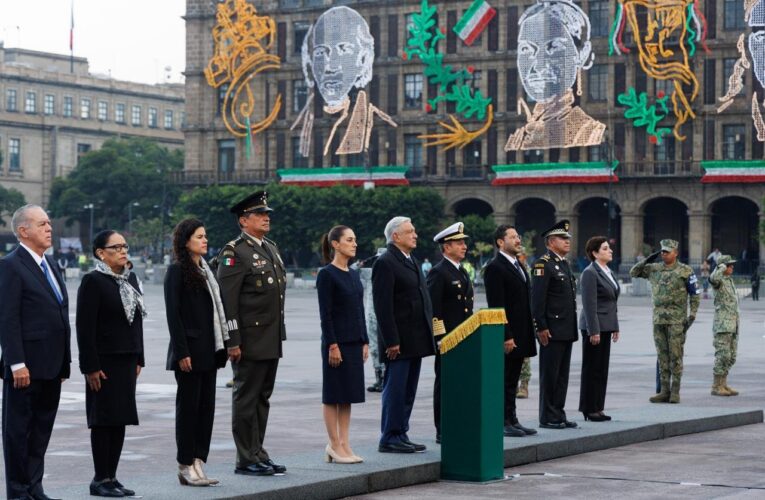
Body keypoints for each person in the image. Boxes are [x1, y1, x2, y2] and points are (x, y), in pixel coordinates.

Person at [0, 205, 71, 500]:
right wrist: (16, 362)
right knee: (18, 431)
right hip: (25, 367)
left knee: (41, 429)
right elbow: (7, 317)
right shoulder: (11, 265)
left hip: (52, 365)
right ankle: (17, 491)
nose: (49, 228)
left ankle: (34, 486)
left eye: (49, 223)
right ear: (23, 231)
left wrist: (65, 360)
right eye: (42, 224)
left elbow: (59, 312)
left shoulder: (51, 264)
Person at [217, 191, 288, 476]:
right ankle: (245, 458)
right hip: (247, 340)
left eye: (267, 213)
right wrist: (233, 341)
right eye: (260, 214)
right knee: (246, 398)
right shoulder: (234, 252)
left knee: (262, 397)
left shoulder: (269, 247)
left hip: (270, 338)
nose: (266, 217)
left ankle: (258, 451)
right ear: (243, 221)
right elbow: (228, 301)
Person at [76, 230, 145, 497]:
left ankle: (112, 476)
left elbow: (136, 321)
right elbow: (85, 327)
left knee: (120, 419)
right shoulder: (93, 281)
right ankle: (99, 479)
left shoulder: (130, 279)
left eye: (125, 246)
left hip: (127, 360)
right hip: (103, 363)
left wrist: (140, 357)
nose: (122, 251)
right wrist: (89, 367)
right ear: (100, 253)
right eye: (115, 247)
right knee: (103, 420)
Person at [165, 219, 229, 486]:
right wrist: (182, 351)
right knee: (188, 410)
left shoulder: (207, 271)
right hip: (189, 352)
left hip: (209, 351)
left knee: (206, 409)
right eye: (199, 236)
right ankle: (184, 463)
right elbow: (173, 315)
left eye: (205, 236)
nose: (205, 240)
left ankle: (199, 461)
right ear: (186, 240)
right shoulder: (177, 271)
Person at [372, 216, 436, 453]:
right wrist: (391, 340)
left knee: (408, 390)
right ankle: (389, 436)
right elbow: (383, 306)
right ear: (395, 236)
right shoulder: (386, 262)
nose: (415, 235)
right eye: (410, 231)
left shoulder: (410, 259)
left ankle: (401, 432)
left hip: (415, 338)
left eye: (414, 230)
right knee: (396, 389)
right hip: (399, 341)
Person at [506, 0, 605, 151]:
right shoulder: (520, 136)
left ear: (582, 54)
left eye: (554, 47)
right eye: (526, 49)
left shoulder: (588, 131)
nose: (538, 66)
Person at [316, 225, 369, 464]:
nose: (354, 244)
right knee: (333, 394)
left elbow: (360, 309)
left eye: (355, 239)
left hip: (354, 342)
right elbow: (325, 315)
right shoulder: (327, 274)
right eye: (349, 240)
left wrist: (365, 340)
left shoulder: (354, 273)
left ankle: (345, 443)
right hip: (336, 343)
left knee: (348, 395)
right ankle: (334, 444)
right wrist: (332, 345)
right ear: (335, 244)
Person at [630, 239, 700, 404]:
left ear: (675, 253)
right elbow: (634, 272)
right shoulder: (654, 269)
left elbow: (695, 294)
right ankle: (664, 390)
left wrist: (693, 314)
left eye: (667, 251)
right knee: (662, 356)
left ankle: (675, 390)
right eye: (662, 251)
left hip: (677, 320)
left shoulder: (685, 270)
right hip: (659, 320)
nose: (664, 254)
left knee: (676, 355)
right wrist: (648, 258)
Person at [484, 225, 538, 437]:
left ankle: (512, 418)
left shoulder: (518, 265)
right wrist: (505, 335)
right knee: (505, 379)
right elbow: (496, 306)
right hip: (508, 335)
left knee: (513, 379)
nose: (518, 240)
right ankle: (502, 420)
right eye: (513, 237)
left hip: (521, 332)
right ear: (500, 242)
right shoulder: (495, 267)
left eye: (518, 236)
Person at [427, 222, 474, 444]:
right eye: (459, 243)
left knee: (460, 384)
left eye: (464, 242)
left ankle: (458, 424)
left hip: (464, 338)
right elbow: (434, 310)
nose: (464, 246)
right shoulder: (439, 272)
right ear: (447, 247)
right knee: (445, 385)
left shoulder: (461, 271)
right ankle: (442, 428)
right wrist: (440, 338)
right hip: (448, 340)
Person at [531, 220, 578, 429]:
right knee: (550, 375)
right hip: (551, 329)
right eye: (562, 238)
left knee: (562, 376)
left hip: (566, 328)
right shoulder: (543, 265)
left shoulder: (564, 264)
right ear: (550, 242)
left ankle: (558, 412)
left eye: (568, 238)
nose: (567, 241)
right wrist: (540, 326)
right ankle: (547, 416)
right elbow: (538, 299)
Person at [578, 236, 620, 422]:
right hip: (594, 327)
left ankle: (598, 407)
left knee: (602, 369)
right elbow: (589, 304)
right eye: (604, 249)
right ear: (594, 253)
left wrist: (615, 326)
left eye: (609, 248)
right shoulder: (590, 272)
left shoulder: (608, 271)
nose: (609, 251)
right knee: (592, 368)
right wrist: (593, 330)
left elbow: (612, 302)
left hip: (606, 326)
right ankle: (589, 408)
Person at [709, 255, 741, 397]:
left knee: (731, 356)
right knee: (723, 355)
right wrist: (720, 267)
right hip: (722, 324)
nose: (732, 267)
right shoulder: (719, 280)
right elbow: (713, 278)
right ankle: (716, 386)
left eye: (731, 265)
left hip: (733, 325)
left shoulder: (729, 281)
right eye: (729, 265)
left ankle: (723, 383)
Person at [359, 248, 386, 392]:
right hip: (370, 316)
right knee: (374, 349)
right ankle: (378, 378)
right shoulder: (368, 272)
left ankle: (385, 378)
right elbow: (351, 270)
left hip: (383, 315)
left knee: (384, 348)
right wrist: (365, 261)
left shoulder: (389, 273)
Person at [516, 246, 532, 399]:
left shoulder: (529, 272)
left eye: (520, 256)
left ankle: (524, 384)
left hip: (526, 317)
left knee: (524, 356)